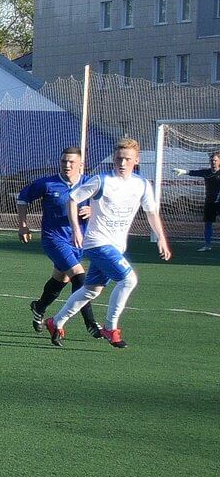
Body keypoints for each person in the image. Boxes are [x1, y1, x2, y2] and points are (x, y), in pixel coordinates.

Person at [45, 137, 171, 349]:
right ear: (114, 159)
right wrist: (77, 229)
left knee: (92, 290)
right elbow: (73, 199)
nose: (122, 163)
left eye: (127, 159)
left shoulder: (141, 184)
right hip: (97, 242)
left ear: (136, 160)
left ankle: (55, 321)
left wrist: (161, 238)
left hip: (117, 245)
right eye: (119, 158)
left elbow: (151, 212)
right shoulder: (101, 180)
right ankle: (111, 328)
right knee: (129, 280)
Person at [15, 145, 101, 338]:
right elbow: (23, 198)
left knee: (61, 278)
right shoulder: (48, 183)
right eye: (64, 161)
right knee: (79, 276)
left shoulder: (90, 183)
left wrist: (93, 211)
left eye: (71, 162)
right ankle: (91, 323)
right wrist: (22, 225)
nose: (67, 165)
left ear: (81, 164)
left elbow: (104, 204)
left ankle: (39, 307)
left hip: (78, 241)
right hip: (54, 239)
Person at [173, 151, 220, 251]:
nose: (213, 162)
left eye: (215, 160)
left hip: (219, 202)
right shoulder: (207, 172)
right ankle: (207, 245)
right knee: (208, 223)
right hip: (209, 202)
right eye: (212, 160)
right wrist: (184, 172)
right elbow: (194, 172)